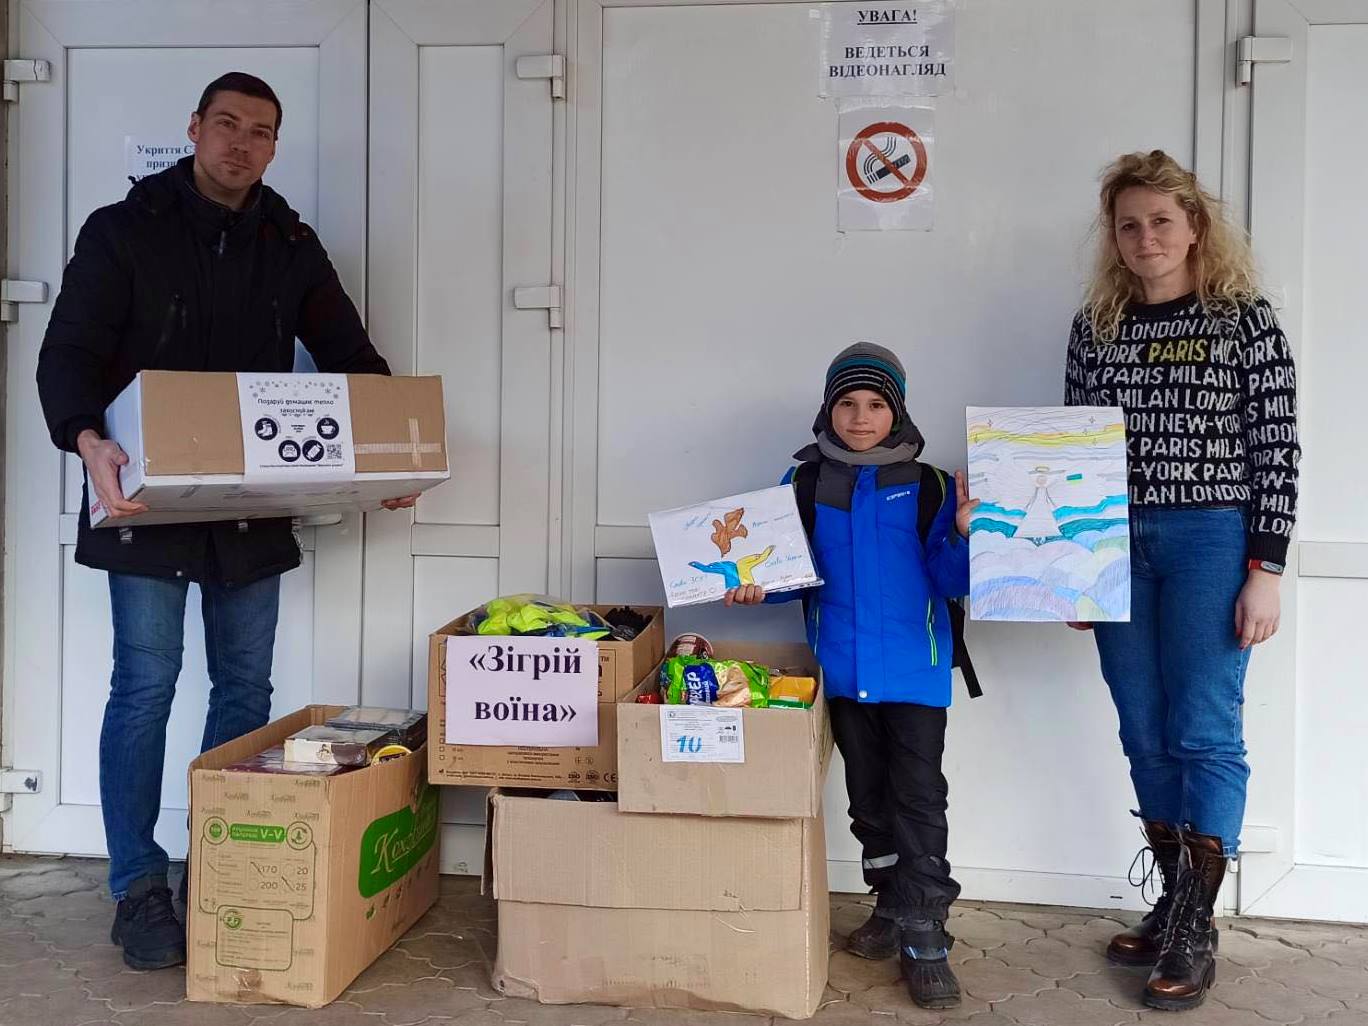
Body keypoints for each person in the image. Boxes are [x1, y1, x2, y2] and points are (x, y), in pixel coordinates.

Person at [35, 72, 416, 971]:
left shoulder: (290, 243)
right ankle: (137, 887)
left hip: (250, 510)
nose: (241, 144)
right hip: (142, 505)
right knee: (145, 686)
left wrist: (390, 458)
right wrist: (87, 440)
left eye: (261, 132)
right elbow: (68, 353)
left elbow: (352, 359)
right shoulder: (123, 230)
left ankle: (219, 865)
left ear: (275, 146)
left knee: (244, 692)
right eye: (227, 124)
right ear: (196, 127)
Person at [1064, 150, 1300, 1011]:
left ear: (1196, 226)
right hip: (1115, 543)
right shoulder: (1096, 326)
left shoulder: (1245, 320)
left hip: (1211, 538)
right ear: (1114, 236)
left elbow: (1276, 447)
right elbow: (1076, 451)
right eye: (1128, 224)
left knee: (1203, 729)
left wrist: (1265, 569)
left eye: (1162, 220)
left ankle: (1196, 927)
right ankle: (1172, 901)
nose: (1146, 237)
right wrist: (1070, 568)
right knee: (1143, 729)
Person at [727, 343, 976, 1010]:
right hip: (840, 670)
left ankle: (927, 936)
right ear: (828, 408)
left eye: (875, 404)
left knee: (918, 799)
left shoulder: (929, 484)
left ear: (897, 411)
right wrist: (755, 587)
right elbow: (789, 572)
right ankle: (891, 905)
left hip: (916, 672)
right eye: (847, 403)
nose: (860, 417)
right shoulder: (803, 483)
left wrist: (963, 534)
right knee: (866, 799)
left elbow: (952, 580)